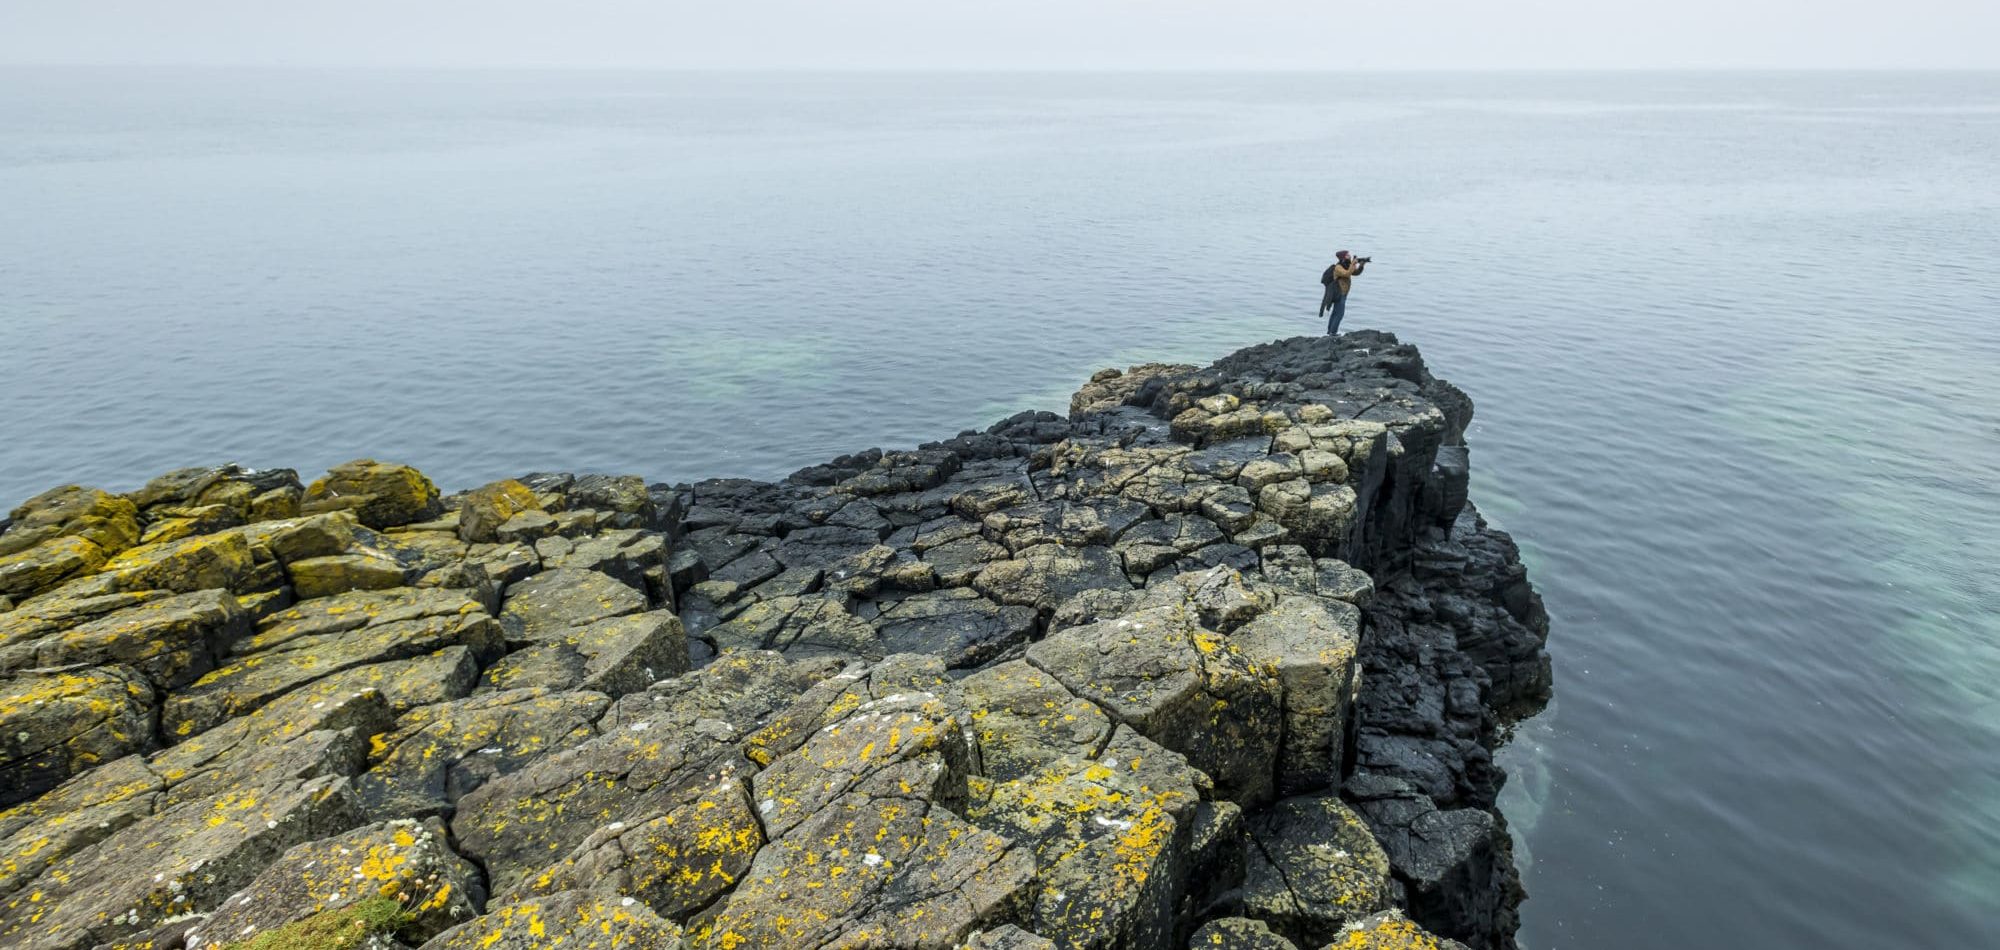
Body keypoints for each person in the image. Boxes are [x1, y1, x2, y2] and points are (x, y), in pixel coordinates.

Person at [1319, 250, 1367, 335]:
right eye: (1347, 255)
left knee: (1336, 313)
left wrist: (1361, 265)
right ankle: (1333, 333)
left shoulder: (1346, 265)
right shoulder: (1338, 267)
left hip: (1343, 293)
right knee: (1339, 314)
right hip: (1339, 293)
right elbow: (1347, 274)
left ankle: (1330, 332)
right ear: (1343, 257)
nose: (1349, 256)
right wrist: (1353, 264)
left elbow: (1355, 273)